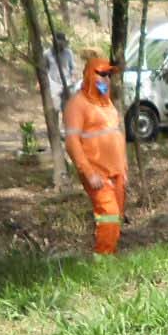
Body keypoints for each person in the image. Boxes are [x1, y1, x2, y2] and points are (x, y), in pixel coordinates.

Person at [62, 54, 126, 256]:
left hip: (116, 172)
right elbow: (72, 143)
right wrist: (89, 173)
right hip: (97, 173)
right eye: (102, 74)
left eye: (109, 75)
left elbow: (116, 135)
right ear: (90, 75)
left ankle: (110, 257)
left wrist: (124, 168)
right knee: (109, 214)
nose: (106, 79)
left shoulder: (108, 104)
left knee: (116, 218)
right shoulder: (77, 105)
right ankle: (103, 261)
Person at [44, 33, 77, 107]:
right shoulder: (47, 54)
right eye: (59, 43)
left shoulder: (68, 53)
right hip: (54, 84)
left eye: (63, 44)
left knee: (67, 108)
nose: (61, 46)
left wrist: (73, 77)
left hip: (68, 83)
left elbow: (73, 68)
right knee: (55, 107)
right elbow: (44, 69)